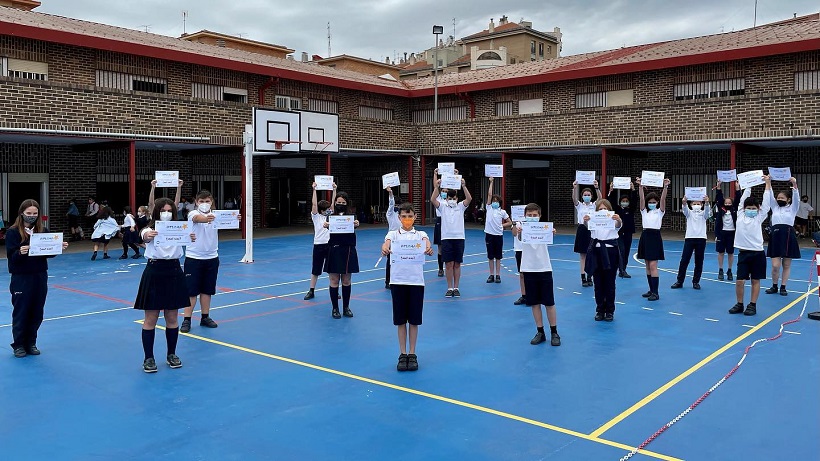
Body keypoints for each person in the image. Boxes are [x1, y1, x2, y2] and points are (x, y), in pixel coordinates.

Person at [135, 197, 196, 372]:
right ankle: (148, 358)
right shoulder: (149, 228)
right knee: (151, 318)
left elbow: (188, 236)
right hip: (154, 271)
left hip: (174, 271)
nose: (167, 214)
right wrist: (148, 236)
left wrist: (189, 237)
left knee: (172, 317)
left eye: (170, 211)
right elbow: (144, 237)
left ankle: (171, 354)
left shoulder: (180, 228)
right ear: (156, 212)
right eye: (163, 211)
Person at [6, 199, 69, 357]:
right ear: (22, 213)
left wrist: (58, 248)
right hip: (21, 278)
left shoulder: (43, 231)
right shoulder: (13, 232)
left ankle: (31, 342)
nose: (31, 216)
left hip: (40, 276)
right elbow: (11, 257)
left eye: (34, 214)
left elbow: (48, 253)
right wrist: (20, 252)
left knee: (37, 311)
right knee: (21, 311)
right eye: (28, 214)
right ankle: (19, 344)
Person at [381, 202, 434, 371]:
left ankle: (412, 353)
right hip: (398, 282)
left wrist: (428, 248)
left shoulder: (421, 234)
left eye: (410, 216)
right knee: (400, 321)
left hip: (416, 283)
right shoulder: (393, 234)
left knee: (414, 321)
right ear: (399, 217)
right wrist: (385, 248)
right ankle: (402, 353)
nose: (407, 219)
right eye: (404, 216)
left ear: (415, 217)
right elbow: (386, 243)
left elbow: (427, 242)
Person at [182, 190, 240, 333]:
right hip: (194, 258)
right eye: (201, 201)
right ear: (196, 202)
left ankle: (205, 317)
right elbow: (197, 219)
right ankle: (187, 319)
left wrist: (234, 218)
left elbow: (228, 221)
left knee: (207, 290)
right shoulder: (192, 214)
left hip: (212, 257)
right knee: (191, 291)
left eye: (207, 201)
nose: (204, 204)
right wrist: (209, 218)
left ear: (212, 202)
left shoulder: (217, 216)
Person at [516, 203, 560, 346]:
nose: (532, 217)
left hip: (544, 268)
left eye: (535, 215)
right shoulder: (521, 228)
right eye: (529, 215)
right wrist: (519, 230)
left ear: (540, 216)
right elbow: (517, 234)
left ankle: (554, 332)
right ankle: (540, 331)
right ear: (525, 216)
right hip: (529, 268)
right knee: (534, 303)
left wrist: (551, 232)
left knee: (549, 302)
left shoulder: (544, 228)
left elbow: (550, 233)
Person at [729, 176, 772, 316]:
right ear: (744, 208)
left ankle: (752, 305)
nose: (751, 210)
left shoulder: (759, 217)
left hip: (757, 253)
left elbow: (767, 203)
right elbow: (744, 198)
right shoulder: (741, 214)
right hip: (743, 253)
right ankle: (739, 303)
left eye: (754, 208)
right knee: (740, 281)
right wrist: (748, 184)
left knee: (755, 280)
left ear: (758, 209)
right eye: (749, 208)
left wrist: (767, 184)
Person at [431, 174, 472, 298]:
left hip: (459, 238)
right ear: (447, 198)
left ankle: (456, 287)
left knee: (457, 264)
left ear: (457, 198)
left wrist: (464, 186)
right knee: (448, 264)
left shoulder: (460, 207)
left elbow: (469, 199)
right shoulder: (443, 206)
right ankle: (449, 287)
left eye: (454, 198)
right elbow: (433, 200)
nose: (452, 199)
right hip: (446, 238)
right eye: (450, 197)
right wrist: (436, 187)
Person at [323, 190, 360, 319]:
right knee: (334, 280)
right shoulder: (330, 217)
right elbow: (327, 226)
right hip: (334, 250)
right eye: (338, 202)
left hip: (348, 250)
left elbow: (355, 226)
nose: (340, 204)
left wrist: (357, 224)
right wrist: (326, 225)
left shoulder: (352, 217)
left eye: (343, 202)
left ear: (347, 203)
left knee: (346, 280)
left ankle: (346, 307)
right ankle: (335, 308)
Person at [584, 199, 623, 321]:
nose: (602, 211)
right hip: (596, 253)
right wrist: (586, 221)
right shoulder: (594, 221)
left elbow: (618, 226)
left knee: (610, 283)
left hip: (610, 252)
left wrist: (618, 220)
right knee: (598, 283)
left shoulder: (613, 220)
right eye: (600, 209)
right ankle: (600, 309)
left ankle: (610, 310)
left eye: (605, 209)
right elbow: (588, 227)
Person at [765, 177, 802, 296]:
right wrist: (768, 182)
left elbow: (797, 199)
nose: (779, 199)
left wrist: (794, 185)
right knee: (775, 265)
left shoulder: (792, 208)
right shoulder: (775, 207)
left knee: (786, 264)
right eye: (778, 197)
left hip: (788, 236)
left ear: (788, 199)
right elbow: (770, 196)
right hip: (775, 236)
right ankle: (774, 285)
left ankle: (783, 287)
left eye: (782, 198)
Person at [636, 177, 671, 301]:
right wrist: (640, 187)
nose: (652, 203)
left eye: (653, 202)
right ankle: (651, 289)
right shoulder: (644, 212)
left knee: (653, 265)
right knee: (647, 265)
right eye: (649, 202)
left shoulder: (659, 212)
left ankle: (656, 292)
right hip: (645, 236)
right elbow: (641, 198)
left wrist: (665, 186)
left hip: (655, 237)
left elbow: (663, 199)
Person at [671, 193, 711, 290]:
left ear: (701, 205)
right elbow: (684, 209)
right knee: (684, 260)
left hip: (701, 239)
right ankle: (679, 281)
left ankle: (696, 281)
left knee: (699, 261)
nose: (696, 205)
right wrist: (684, 202)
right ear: (691, 204)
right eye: (694, 203)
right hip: (689, 238)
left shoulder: (704, 214)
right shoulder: (689, 213)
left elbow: (707, 212)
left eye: (698, 204)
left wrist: (707, 203)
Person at [304, 181, 336, 300]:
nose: (329, 210)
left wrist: (334, 190)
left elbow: (333, 205)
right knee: (315, 269)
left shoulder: (330, 216)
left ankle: (334, 289)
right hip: (318, 246)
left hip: (329, 245)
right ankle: (311, 290)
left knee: (331, 269)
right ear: (322, 210)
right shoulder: (316, 217)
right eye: (327, 209)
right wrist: (314, 190)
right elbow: (314, 205)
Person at [572, 180, 600, 287]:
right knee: (583, 255)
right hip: (582, 230)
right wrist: (574, 188)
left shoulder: (594, 205)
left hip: (592, 230)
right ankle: (583, 277)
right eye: (585, 195)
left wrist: (596, 188)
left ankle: (590, 276)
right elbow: (574, 199)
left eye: (588, 195)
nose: (587, 196)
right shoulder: (579, 205)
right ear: (582, 196)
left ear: (591, 196)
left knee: (591, 255)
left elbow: (600, 199)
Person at [608, 181, 638, 278]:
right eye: (623, 201)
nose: (624, 202)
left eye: (626, 201)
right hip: (619, 233)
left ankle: (623, 269)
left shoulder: (631, 209)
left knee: (627, 251)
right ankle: (621, 269)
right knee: (621, 250)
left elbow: (635, 200)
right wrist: (611, 190)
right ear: (620, 201)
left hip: (628, 232)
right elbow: (611, 201)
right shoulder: (617, 209)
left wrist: (633, 189)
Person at [713, 181, 742, 281]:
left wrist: (737, 188)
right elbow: (719, 197)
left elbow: (738, 199)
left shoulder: (734, 209)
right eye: (726, 203)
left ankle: (729, 270)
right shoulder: (721, 209)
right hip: (722, 233)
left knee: (730, 253)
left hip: (732, 233)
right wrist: (719, 186)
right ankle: (720, 269)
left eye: (729, 203)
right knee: (721, 252)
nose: (727, 204)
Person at [484, 177, 511, 283]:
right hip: (489, 235)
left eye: (497, 201)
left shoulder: (502, 212)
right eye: (493, 201)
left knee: (498, 257)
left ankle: (498, 275)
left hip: (498, 235)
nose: (494, 202)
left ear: (500, 203)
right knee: (490, 256)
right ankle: (491, 274)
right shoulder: (489, 208)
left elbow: (509, 222)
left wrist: (502, 226)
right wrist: (491, 182)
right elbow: (489, 195)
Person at [384, 186, 402, 289]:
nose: (397, 206)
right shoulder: (390, 214)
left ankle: (398, 279)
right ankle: (388, 281)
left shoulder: (402, 215)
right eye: (396, 204)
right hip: (392, 239)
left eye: (399, 205)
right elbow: (391, 204)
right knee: (390, 261)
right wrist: (390, 193)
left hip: (401, 238)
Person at [509, 212, 526, 305]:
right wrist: (515, 223)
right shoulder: (517, 223)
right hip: (519, 250)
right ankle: (524, 295)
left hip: (530, 250)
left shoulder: (531, 224)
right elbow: (514, 234)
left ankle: (532, 295)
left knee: (531, 275)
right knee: (522, 274)